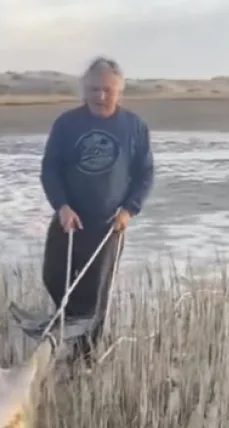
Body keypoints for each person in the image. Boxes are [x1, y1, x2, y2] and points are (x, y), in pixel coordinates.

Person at [39, 56, 154, 365]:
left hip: (109, 222)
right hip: (69, 217)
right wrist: (61, 206)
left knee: (95, 291)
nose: (100, 97)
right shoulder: (67, 123)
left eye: (107, 90)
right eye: (93, 89)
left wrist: (128, 211)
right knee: (52, 276)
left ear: (119, 91)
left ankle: (85, 358)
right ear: (83, 89)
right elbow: (50, 169)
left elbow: (145, 175)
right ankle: (75, 326)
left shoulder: (134, 127)